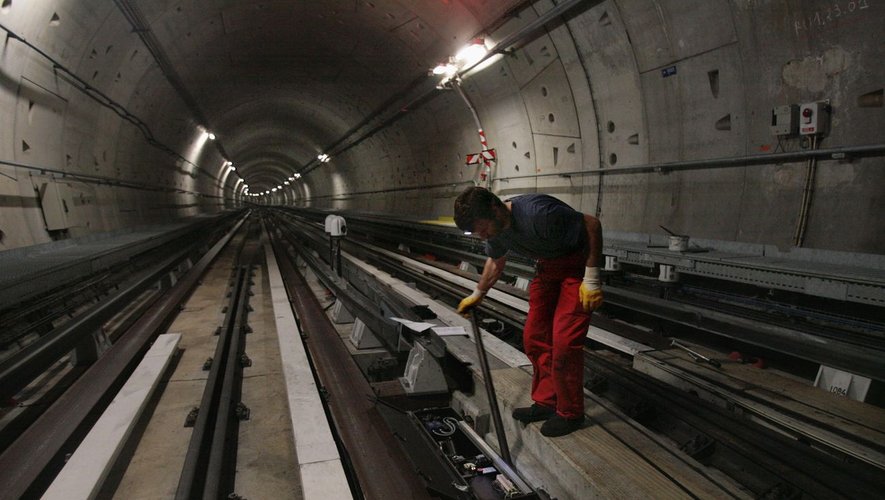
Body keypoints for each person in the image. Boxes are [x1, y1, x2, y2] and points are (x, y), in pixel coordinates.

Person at [453, 187, 603, 437]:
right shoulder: (496, 229)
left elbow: (592, 224)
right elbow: (495, 261)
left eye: (483, 229)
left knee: (564, 343)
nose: (483, 236)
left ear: (495, 208)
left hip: (576, 266)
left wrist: (593, 277)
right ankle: (547, 401)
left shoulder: (539, 214)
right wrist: (477, 295)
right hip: (548, 268)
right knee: (534, 336)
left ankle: (571, 413)